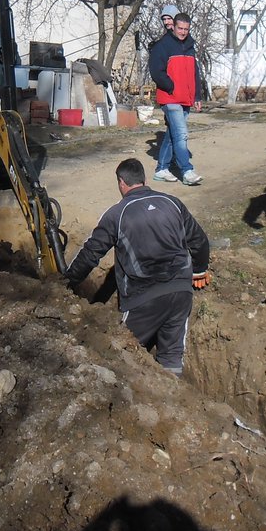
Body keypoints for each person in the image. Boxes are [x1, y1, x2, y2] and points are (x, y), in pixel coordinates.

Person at [64, 158, 210, 376]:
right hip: (181, 292)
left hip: (143, 297)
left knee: (123, 355)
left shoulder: (116, 214)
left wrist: (67, 281)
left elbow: (91, 253)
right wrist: (199, 270)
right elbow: (199, 241)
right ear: (143, 179)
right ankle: (174, 402)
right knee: (171, 356)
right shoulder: (173, 203)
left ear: (121, 183)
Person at [149, 12, 205, 185]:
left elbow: (195, 73)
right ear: (173, 26)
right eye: (180, 28)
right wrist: (171, 86)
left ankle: (162, 169)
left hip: (186, 98)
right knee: (181, 133)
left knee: (173, 134)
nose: (183, 32)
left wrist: (196, 95)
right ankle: (187, 171)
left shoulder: (190, 46)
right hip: (170, 97)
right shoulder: (162, 45)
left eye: (186, 29)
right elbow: (156, 71)